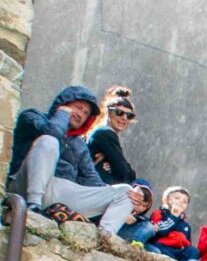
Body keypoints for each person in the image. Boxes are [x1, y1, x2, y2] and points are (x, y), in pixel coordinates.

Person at [5, 85, 135, 231]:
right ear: (64, 104)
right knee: (49, 141)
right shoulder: (33, 116)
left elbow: (92, 181)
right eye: (78, 107)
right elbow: (52, 133)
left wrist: (120, 201)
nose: (81, 115)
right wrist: (62, 114)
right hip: (25, 184)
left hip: (60, 192)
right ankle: (33, 208)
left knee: (127, 192)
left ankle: (105, 236)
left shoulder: (79, 145)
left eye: (86, 113)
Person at [88, 94, 137, 186]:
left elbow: (124, 171)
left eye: (129, 116)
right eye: (119, 112)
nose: (124, 118)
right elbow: (123, 173)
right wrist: (124, 170)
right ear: (108, 112)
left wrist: (113, 165)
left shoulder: (101, 133)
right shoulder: (105, 133)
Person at [142, 185, 195, 261]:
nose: (181, 202)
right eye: (177, 198)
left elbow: (188, 243)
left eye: (185, 201)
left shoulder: (186, 225)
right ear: (166, 200)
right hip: (162, 246)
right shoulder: (159, 213)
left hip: (178, 250)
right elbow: (159, 231)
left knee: (193, 251)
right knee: (161, 251)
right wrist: (174, 216)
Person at [114, 180, 156, 244]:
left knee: (154, 249)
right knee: (149, 226)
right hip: (115, 232)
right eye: (138, 203)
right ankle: (135, 247)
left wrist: (155, 229)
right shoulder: (117, 204)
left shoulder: (141, 219)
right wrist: (122, 216)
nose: (140, 208)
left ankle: (136, 244)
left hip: (131, 238)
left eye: (144, 206)